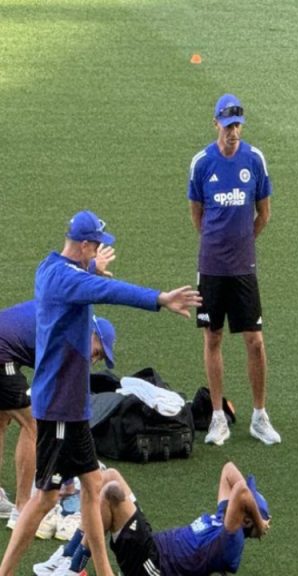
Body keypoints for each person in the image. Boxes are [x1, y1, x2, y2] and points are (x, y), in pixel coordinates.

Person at [0, 210, 202, 576]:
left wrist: (91, 269)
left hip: (71, 409)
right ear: (84, 245)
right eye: (95, 246)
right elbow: (111, 292)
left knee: (93, 487)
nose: (98, 251)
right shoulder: (67, 279)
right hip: (59, 407)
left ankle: (104, 572)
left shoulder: (50, 267)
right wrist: (160, 298)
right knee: (44, 497)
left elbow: (79, 280)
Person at [188, 93, 280, 447]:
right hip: (211, 267)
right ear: (216, 125)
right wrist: (217, 245)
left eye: (238, 125)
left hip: (244, 267)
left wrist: (243, 243)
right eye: (227, 126)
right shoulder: (202, 163)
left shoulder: (254, 160)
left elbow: (264, 214)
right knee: (213, 337)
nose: (233, 132)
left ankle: (259, 415)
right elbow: (197, 215)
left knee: (255, 341)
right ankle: (216, 417)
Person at [0, 299, 117, 530]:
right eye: (97, 352)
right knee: (32, 423)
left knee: (2, 417)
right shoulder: (70, 339)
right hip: (2, 353)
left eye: (99, 358)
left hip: (5, 349)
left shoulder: (71, 322)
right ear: (92, 334)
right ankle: (22, 508)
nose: (93, 360)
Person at [33, 463, 269, 576]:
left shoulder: (232, 542)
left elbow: (240, 491)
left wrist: (260, 524)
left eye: (246, 507)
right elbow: (228, 470)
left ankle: (75, 568)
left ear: (245, 520)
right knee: (109, 476)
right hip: (151, 545)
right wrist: (256, 517)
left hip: (154, 567)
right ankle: (67, 557)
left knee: (110, 493)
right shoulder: (223, 518)